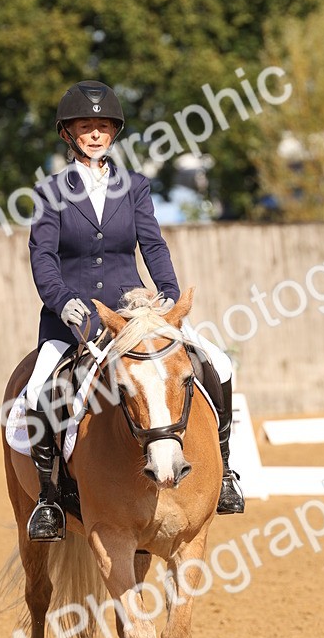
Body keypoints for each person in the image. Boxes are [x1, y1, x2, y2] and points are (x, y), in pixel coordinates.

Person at [24, 79, 244, 541]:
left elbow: (153, 245)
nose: (95, 133)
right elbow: (43, 259)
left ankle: (224, 474)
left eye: (102, 126)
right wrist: (65, 305)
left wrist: (167, 295)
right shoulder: (50, 191)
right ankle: (49, 498)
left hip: (134, 310)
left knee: (218, 364)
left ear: (114, 133)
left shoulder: (135, 186)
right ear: (69, 134)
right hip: (75, 317)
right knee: (39, 391)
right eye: (85, 126)